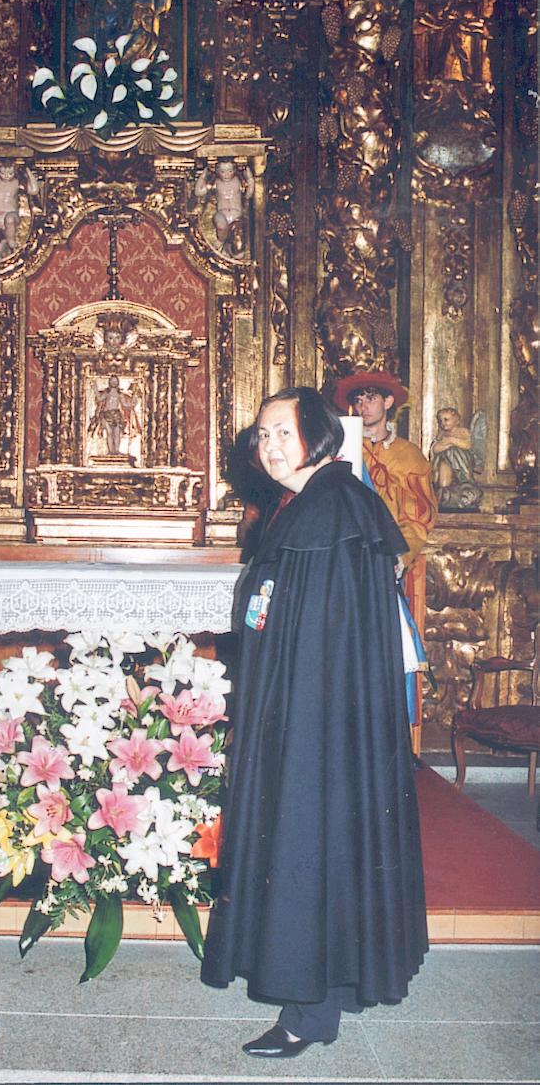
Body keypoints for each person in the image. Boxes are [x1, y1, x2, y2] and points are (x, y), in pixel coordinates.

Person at [201, 386, 427, 1056]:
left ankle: (308, 1013)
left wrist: (291, 714)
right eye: (262, 435)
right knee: (314, 848)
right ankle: (323, 992)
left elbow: (327, 636)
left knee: (309, 845)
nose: (268, 446)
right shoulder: (310, 502)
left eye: (282, 432)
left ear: (320, 436)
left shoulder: (333, 505)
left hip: (316, 721)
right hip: (304, 709)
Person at [332, 370, 437, 749]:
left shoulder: (408, 455)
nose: (364, 406)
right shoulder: (343, 451)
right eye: (358, 400)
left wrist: (399, 555)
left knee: (388, 651)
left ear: (388, 402)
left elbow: (418, 517)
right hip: (344, 560)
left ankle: (393, 744)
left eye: (371, 398)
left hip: (389, 561)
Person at [0, 159, 40, 260]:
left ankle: (11, 243)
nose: (6, 176)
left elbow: (34, 190)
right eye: (3, 173)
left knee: (9, 219)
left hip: (11, 215)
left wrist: (28, 172)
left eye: (10, 173)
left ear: (15, 171)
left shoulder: (17, 182)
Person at [193, 158, 254, 256]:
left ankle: (227, 250)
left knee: (239, 250)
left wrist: (250, 178)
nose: (226, 175)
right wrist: (203, 176)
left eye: (229, 171)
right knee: (221, 226)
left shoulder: (239, 181)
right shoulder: (215, 183)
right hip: (221, 214)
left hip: (237, 217)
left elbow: (249, 194)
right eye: (222, 172)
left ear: (234, 170)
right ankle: (221, 240)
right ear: (218, 171)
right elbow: (198, 192)